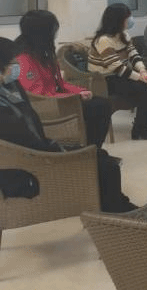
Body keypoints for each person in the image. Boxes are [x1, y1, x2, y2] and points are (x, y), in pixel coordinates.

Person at [0, 37, 136, 212]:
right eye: (12, 62)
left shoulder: (11, 86)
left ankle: (114, 204)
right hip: (26, 166)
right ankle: (116, 210)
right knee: (106, 165)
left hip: (38, 148)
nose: (16, 66)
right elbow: (22, 140)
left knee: (100, 153)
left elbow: (33, 122)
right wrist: (57, 150)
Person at [15, 10, 112, 148]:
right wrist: (73, 98)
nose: (55, 33)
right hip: (44, 107)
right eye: (54, 29)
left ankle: (92, 148)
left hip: (57, 100)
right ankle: (90, 149)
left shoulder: (43, 53)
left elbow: (59, 83)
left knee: (100, 103)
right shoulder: (24, 59)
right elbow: (39, 96)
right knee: (99, 107)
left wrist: (79, 91)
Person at [88, 3, 147, 140]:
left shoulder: (123, 35)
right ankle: (139, 129)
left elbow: (134, 56)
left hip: (120, 75)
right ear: (117, 20)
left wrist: (144, 72)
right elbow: (116, 67)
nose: (130, 20)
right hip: (104, 80)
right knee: (144, 87)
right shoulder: (103, 40)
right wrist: (140, 77)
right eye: (127, 17)